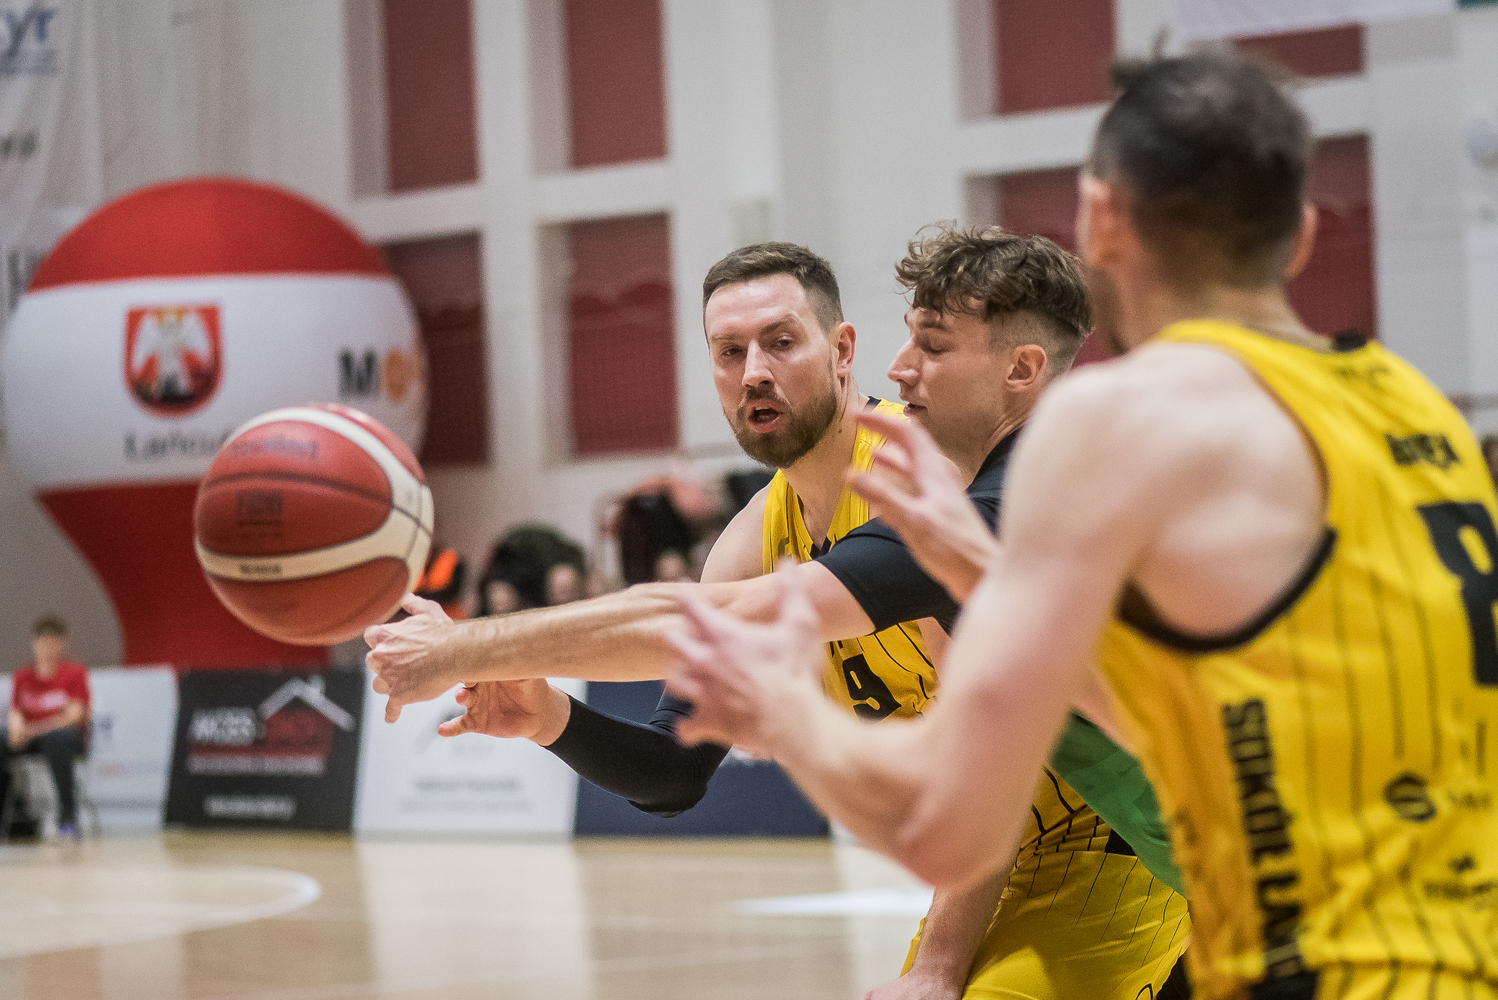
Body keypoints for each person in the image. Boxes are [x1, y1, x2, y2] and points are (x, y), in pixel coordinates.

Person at [665, 53, 1498, 1000]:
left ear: (1102, 221)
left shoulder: (1114, 426)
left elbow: (951, 823)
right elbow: (1169, 714)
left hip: (1321, 958)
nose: (901, 370)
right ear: (1302, 235)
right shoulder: (1422, 413)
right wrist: (977, 570)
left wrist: (786, 717)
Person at [367, 238, 1189, 999]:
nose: (754, 372)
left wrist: (461, 646)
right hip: (1007, 852)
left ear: (842, 352)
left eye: (780, 342)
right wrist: (551, 717)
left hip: (1102, 838)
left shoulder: (928, 480)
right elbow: (674, 771)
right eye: (729, 352)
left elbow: (989, 751)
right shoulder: (753, 537)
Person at [2, 615, 91, 841]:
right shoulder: (23, 676)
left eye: (52, 642)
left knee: (57, 739)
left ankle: (68, 818)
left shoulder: (74, 673)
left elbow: (73, 717)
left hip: (67, 738)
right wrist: (15, 731)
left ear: (61, 644)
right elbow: (16, 712)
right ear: (34, 643)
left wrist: (33, 730)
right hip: (31, 738)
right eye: (42, 642)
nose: (46, 648)